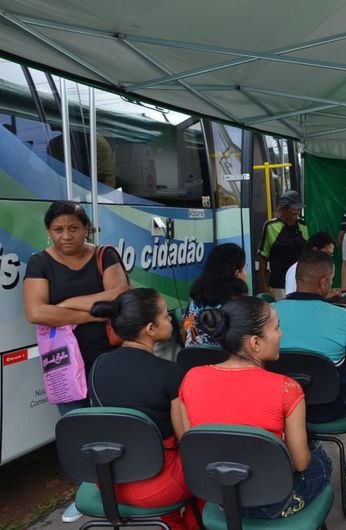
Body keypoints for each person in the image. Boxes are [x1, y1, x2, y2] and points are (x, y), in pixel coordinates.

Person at [22, 200, 129, 523]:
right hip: (64, 364)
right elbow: (36, 312)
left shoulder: (104, 255)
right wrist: (93, 313)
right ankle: (87, 493)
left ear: (86, 229)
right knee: (77, 429)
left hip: (106, 358)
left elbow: (119, 295)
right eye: (58, 229)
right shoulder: (39, 263)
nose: (66, 236)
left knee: (114, 424)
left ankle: (125, 491)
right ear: (48, 231)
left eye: (73, 228)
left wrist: (66, 305)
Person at [179, 296, 332, 519]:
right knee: (319, 456)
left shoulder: (191, 378)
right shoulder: (288, 388)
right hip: (274, 501)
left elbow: (191, 441)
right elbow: (300, 463)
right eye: (276, 327)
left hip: (221, 496)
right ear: (255, 343)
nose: (281, 334)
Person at [273, 250, 346, 482]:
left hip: (283, 408)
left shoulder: (270, 313)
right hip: (332, 408)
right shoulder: (342, 318)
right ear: (324, 281)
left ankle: (305, 444)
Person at [89, 289, 197, 530]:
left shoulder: (98, 365)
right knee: (206, 467)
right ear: (150, 329)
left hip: (108, 481)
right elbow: (186, 437)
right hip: (157, 484)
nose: (170, 318)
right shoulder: (170, 373)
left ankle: (166, 522)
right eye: (165, 315)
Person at [182, 243, 248, 346]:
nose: (246, 274)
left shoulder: (195, 300)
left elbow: (185, 333)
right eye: (245, 268)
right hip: (224, 360)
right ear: (236, 274)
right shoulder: (238, 303)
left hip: (191, 357)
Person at [258, 190, 309, 301]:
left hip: (299, 285)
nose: (298, 212)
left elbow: (307, 255)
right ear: (284, 208)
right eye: (294, 208)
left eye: (299, 208)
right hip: (278, 286)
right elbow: (263, 258)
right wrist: (263, 286)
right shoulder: (270, 226)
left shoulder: (303, 225)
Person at [285, 232, 335, 296]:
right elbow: (290, 296)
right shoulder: (296, 268)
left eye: (331, 255)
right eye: (327, 254)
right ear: (315, 250)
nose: (329, 258)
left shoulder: (323, 269)